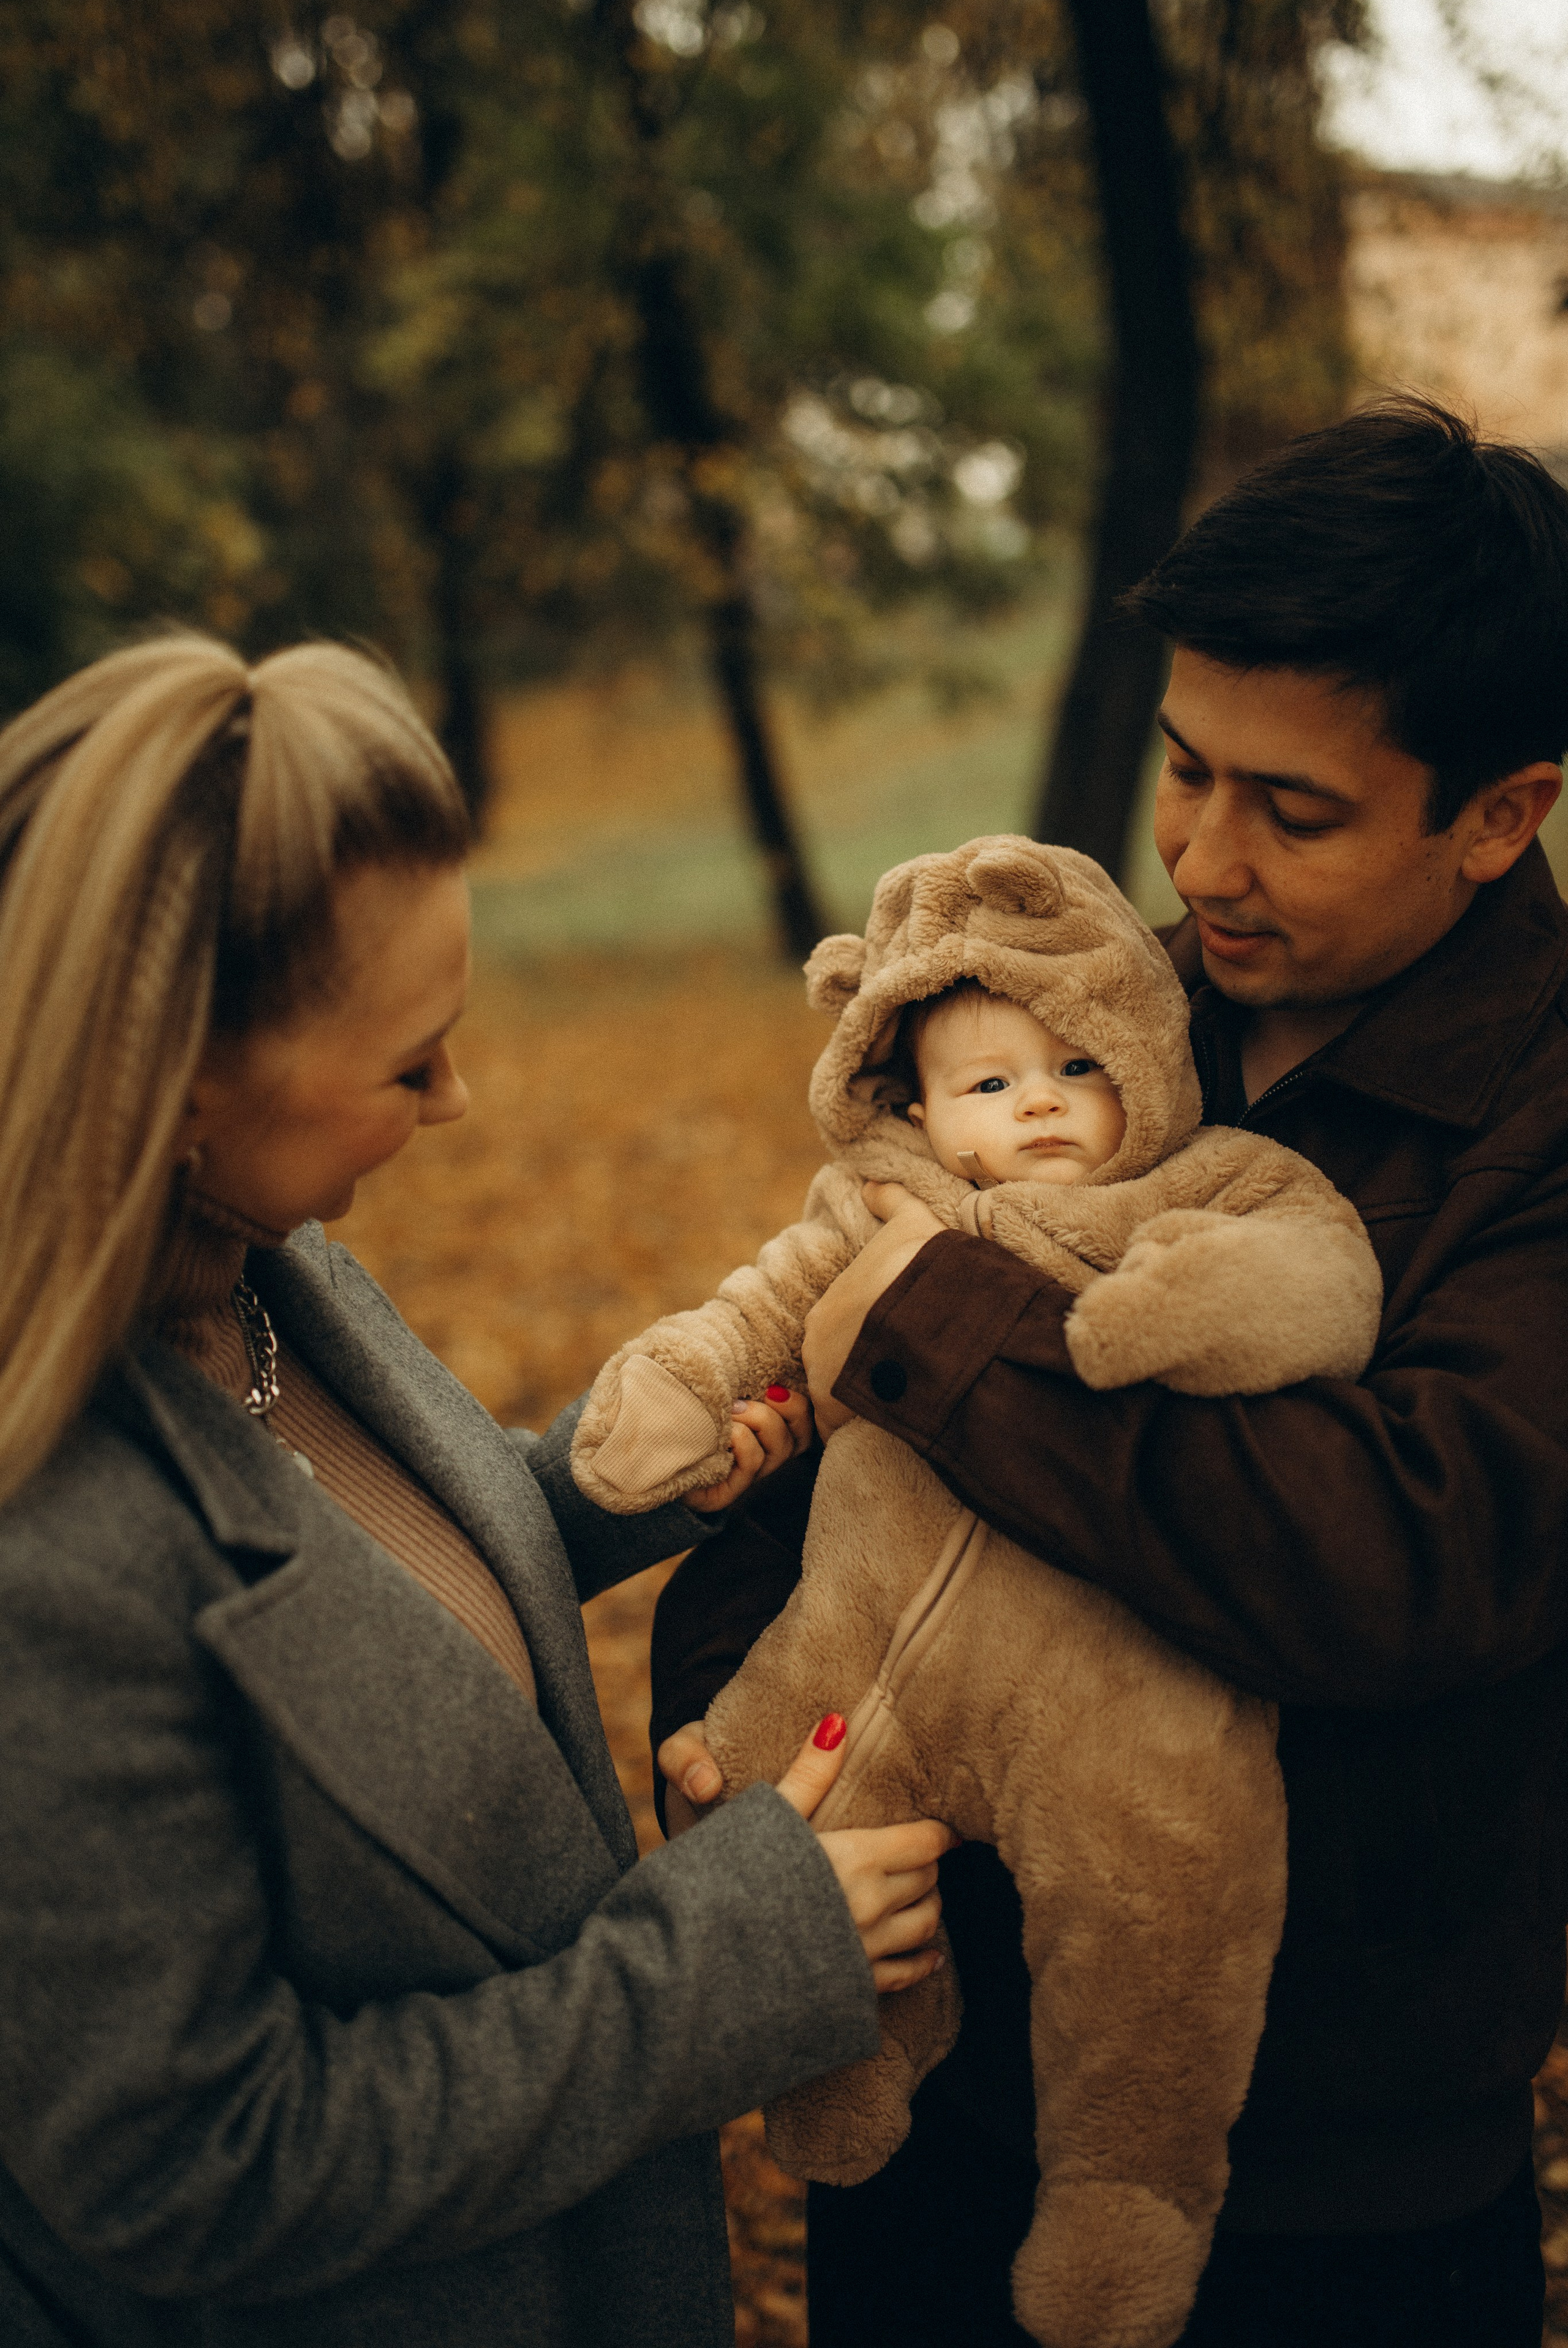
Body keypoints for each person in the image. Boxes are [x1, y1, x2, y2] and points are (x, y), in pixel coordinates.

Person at [650, 398, 1568, 2348]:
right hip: (935, 2105)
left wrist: (944, 1332)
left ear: (1502, 812)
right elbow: (817, 1391)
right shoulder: (1109, 1019)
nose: (1205, 862)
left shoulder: (1543, 1132)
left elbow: (1405, 1556)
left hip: (1336, 2200)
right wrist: (739, 1752)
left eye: (1292, 812)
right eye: (1182, 770)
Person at [0, 633, 954, 2348]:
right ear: (178, 1083)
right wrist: (714, 1971)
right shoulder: (43, 1551)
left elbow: (362, 1582)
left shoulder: (250, 1264)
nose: (460, 1099)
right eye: (406, 1062)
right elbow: (197, 2164)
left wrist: (640, 1468)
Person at [572, 833, 1384, 2346]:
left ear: (1142, 1057)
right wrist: (688, 1388)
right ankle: (844, 2062)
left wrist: (1169, 1309)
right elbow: (760, 1308)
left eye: (1079, 1064)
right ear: (921, 1109)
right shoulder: (880, 1205)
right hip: (862, 1647)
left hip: (1121, 1695)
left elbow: (1318, 1280)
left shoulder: (1201, 1183)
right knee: (764, 1793)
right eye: (990, 1083)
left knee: (1158, 1927)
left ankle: (1125, 2196)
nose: (1042, 1107)